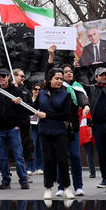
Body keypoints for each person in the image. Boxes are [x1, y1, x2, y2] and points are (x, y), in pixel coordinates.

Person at [34, 68, 76, 200]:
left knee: (62, 159)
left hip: (60, 131)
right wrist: (20, 101)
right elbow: (33, 108)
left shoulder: (65, 94)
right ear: (49, 79)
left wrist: (47, 115)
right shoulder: (41, 93)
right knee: (47, 160)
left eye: (61, 79)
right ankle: (48, 188)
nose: (59, 81)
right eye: (56, 78)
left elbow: (66, 115)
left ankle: (66, 187)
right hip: (44, 130)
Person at [0, 68, 29, 190]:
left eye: (3, 76)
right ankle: (5, 181)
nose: (1, 78)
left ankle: (23, 180)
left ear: (8, 77)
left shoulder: (17, 91)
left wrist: (19, 125)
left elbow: (25, 110)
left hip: (13, 129)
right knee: (2, 157)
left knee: (18, 156)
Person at [83, 67, 106, 189]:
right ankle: (105, 178)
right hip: (97, 126)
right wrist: (77, 67)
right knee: (102, 154)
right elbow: (77, 82)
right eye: (101, 75)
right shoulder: (91, 89)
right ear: (96, 77)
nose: (104, 77)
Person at [61, 64, 87, 196]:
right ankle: (61, 186)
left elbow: (82, 98)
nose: (69, 73)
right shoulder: (59, 87)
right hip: (60, 127)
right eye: (66, 72)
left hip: (73, 127)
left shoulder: (77, 87)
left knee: (75, 156)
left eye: (70, 71)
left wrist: (85, 105)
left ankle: (78, 186)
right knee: (61, 157)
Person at [26, 83, 44, 176]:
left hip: (40, 125)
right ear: (32, 90)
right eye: (35, 89)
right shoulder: (29, 99)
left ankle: (39, 167)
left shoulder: (42, 100)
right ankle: (30, 167)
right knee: (32, 146)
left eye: (39, 89)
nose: (37, 91)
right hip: (31, 126)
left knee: (40, 147)